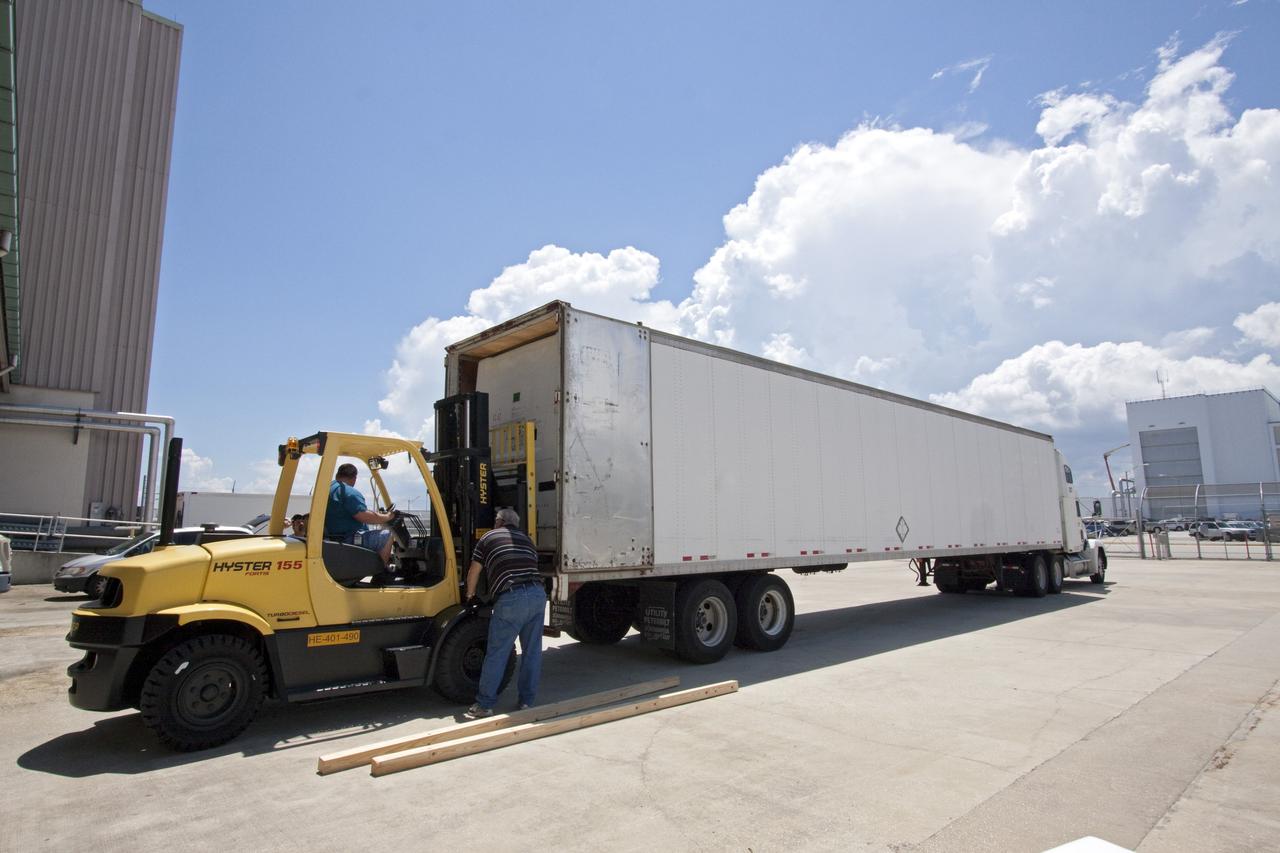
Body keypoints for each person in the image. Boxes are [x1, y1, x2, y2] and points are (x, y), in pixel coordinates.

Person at [464, 507, 546, 718]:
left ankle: (485, 704)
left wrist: (470, 594)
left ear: (498, 522)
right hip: (537, 594)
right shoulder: (527, 540)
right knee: (532, 652)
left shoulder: (488, 537)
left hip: (512, 597)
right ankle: (527, 701)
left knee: (498, 652)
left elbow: (475, 569)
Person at [324, 462, 396, 566]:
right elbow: (364, 516)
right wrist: (388, 516)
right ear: (354, 478)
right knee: (387, 536)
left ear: (338, 475)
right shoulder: (348, 492)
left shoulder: (329, 489)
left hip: (333, 537)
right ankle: (381, 573)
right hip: (347, 539)